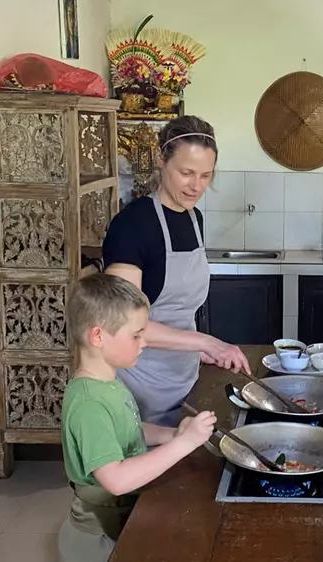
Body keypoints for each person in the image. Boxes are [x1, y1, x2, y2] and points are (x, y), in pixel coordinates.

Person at [57, 274, 217, 562]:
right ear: (98, 336)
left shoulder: (107, 382)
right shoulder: (88, 402)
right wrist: (184, 443)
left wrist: (172, 434)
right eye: (136, 335)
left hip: (120, 521)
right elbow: (116, 479)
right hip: (96, 535)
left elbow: (130, 428)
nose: (144, 343)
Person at [102, 115, 250, 427]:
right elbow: (122, 322)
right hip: (139, 386)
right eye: (186, 173)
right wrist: (204, 342)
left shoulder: (195, 219)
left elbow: (182, 311)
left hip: (185, 378)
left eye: (206, 175)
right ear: (161, 161)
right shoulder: (132, 226)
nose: (196, 185)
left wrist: (198, 350)